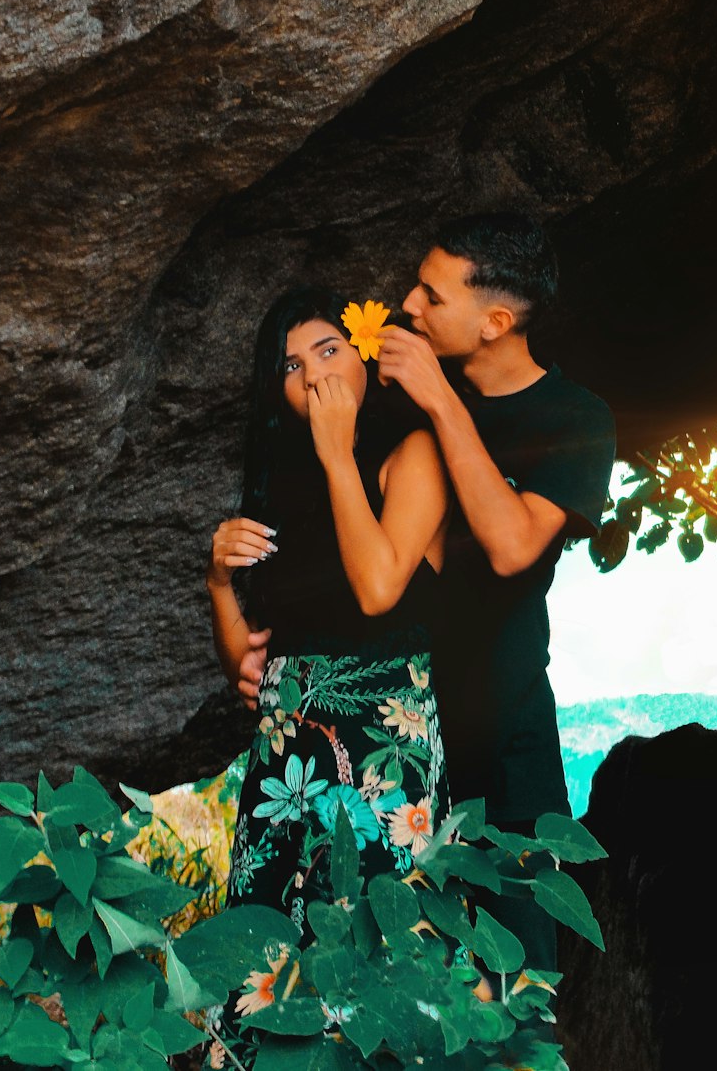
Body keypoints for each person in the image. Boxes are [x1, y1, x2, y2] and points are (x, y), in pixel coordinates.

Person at [375, 212, 617, 977]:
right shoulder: (395, 404)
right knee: (392, 996)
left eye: (431, 296)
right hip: (395, 738)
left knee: (515, 992)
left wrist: (442, 405)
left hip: (510, 743)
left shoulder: (574, 418)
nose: (408, 307)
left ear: (496, 323)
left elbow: (514, 547)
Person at [205, 287, 451, 1032]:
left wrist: (339, 453)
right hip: (283, 763)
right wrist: (218, 581)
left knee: (373, 962)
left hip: (382, 754)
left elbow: (378, 590)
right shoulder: (281, 493)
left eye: (328, 349)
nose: (311, 374)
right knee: (259, 968)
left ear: (366, 358)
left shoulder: (412, 456)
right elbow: (249, 672)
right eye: (289, 363)